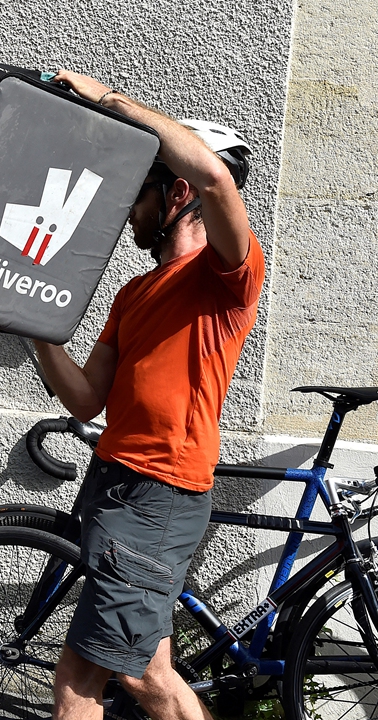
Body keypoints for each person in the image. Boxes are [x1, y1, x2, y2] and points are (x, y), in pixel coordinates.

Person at [34, 69, 266, 720]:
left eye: (140, 193)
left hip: (156, 494)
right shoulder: (133, 294)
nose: (129, 210)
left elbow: (220, 180)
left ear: (179, 192)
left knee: (87, 680)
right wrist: (33, 327)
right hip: (118, 481)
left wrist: (108, 101)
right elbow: (85, 399)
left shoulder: (226, 277)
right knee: (149, 671)